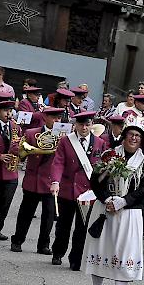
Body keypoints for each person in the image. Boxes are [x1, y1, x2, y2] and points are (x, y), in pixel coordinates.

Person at [82, 118, 144, 285]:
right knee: (101, 249)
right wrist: (106, 199)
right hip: (105, 209)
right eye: (130, 134)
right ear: (124, 137)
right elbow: (95, 181)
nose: (134, 138)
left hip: (129, 213)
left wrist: (124, 201)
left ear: (141, 139)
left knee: (124, 254)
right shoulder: (109, 155)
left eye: (138, 136)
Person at [50, 111, 107, 270]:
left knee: (82, 228)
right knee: (63, 225)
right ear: (75, 124)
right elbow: (58, 163)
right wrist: (55, 181)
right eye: (81, 124)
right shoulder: (66, 141)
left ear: (91, 124)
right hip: (68, 189)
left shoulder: (99, 142)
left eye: (87, 124)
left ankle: (76, 259)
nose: (84, 128)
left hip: (88, 192)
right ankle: (58, 253)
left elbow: (102, 166)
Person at [10, 107, 65, 254]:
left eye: (59, 117)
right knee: (25, 213)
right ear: (45, 117)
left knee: (48, 216)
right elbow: (16, 148)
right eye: (54, 117)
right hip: (33, 179)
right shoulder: (31, 133)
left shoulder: (64, 137)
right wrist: (28, 149)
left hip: (50, 181)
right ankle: (17, 240)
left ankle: (43, 245)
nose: (57, 120)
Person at [0, 100, 21, 240]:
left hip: (10, 174)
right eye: (5, 111)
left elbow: (20, 146)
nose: (8, 114)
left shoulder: (16, 127)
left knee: (4, 205)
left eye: (10, 111)